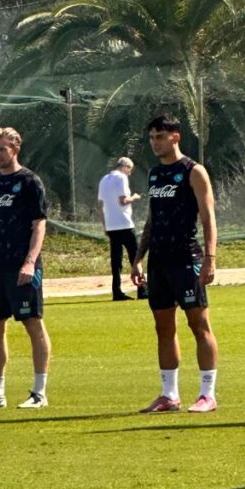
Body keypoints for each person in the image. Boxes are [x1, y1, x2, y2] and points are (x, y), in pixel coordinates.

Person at [130, 114, 219, 414]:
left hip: (186, 258)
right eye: (152, 138)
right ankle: (170, 395)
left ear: (175, 137)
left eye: (160, 137)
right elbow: (152, 219)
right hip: (159, 261)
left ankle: (207, 394)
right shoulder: (155, 174)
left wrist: (210, 259)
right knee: (163, 327)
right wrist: (138, 258)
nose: (155, 143)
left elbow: (208, 217)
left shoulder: (193, 171)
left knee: (199, 325)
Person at [0, 127, 51, 409]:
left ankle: (39, 392)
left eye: (2, 149)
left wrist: (30, 262)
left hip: (22, 266)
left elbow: (39, 225)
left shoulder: (30, 182)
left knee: (33, 324)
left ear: (15, 150)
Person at [97, 157, 146, 301]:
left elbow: (100, 205)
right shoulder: (121, 178)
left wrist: (105, 225)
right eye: (130, 169)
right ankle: (142, 289)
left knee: (116, 260)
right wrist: (134, 197)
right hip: (124, 224)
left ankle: (116, 290)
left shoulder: (104, 179)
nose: (130, 173)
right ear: (125, 167)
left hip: (111, 225)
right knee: (136, 256)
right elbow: (123, 200)